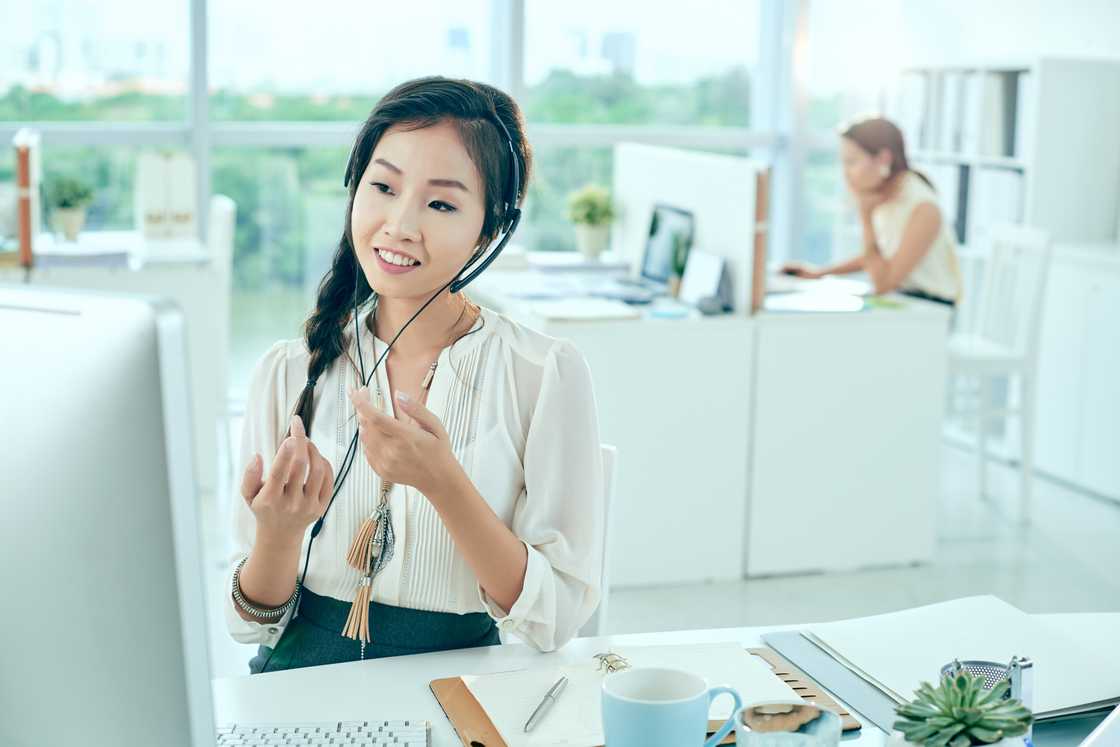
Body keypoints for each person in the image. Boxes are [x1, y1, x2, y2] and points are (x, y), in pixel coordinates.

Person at [225, 77, 605, 673]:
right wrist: (277, 534)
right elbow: (253, 626)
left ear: (489, 228)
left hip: (460, 683)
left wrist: (443, 483)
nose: (399, 224)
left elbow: (554, 620)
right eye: (383, 186)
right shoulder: (288, 370)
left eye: (441, 203)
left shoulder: (543, 373)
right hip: (301, 676)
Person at [783, 116, 962, 305]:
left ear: (883, 159)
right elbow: (881, 256)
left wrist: (866, 216)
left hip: (930, 308)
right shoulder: (890, 196)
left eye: (851, 162)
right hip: (906, 302)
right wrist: (820, 273)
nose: (845, 173)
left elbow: (883, 282)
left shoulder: (923, 207)